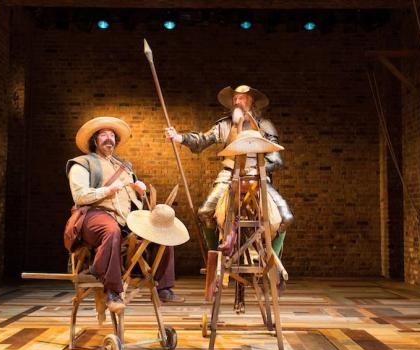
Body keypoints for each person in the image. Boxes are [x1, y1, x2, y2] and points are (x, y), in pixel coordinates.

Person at [67, 117, 184, 313]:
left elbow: (132, 197)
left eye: (112, 135)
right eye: (103, 135)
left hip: (127, 218)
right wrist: (108, 190)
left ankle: (164, 286)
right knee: (110, 230)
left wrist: (140, 189)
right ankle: (112, 291)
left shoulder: (124, 166)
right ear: (94, 140)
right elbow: (79, 195)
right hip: (94, 214)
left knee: (163, 226)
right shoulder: (82, 163)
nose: (109, 138)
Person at [165, 85, 293, 255]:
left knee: (286, 217)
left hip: (258, 176)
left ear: (252, 101)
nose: (237, 101)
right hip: (229, 175)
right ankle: (215, 258)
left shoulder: (265, 126)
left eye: (242, 98)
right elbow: (202, 140)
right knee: (205, 212)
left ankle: (272, 260)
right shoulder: (225, 125)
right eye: (235, 98)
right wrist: (179, 137)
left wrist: (258, 169)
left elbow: (276, 160)